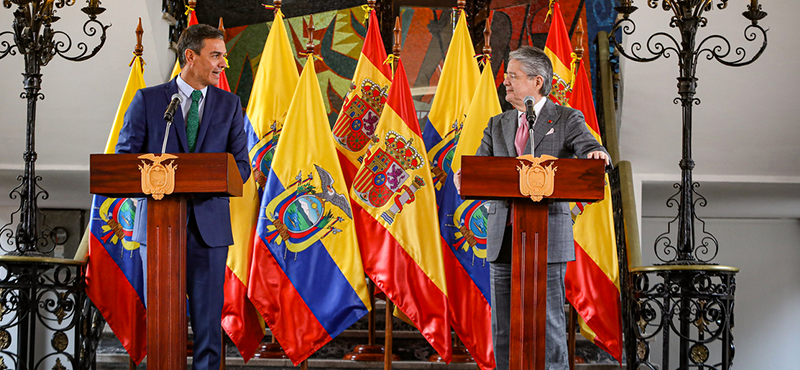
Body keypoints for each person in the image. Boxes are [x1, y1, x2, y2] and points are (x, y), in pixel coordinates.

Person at [455, 45, 609, 370]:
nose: (505, 81)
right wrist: (463, 175)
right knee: (504, 325)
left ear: (537, 81)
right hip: (503, 241)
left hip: (547, 241)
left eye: (513, 75)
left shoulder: (567, 118)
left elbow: (591, 147)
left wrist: (597, 155)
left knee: (549, 323)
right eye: (506, 75)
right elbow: (480, 169)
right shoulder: (497, 124)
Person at [116, 24, 250, 370]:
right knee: (163, 322)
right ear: (190, 56)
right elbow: (124, 162)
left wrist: (200, 181)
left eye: (223, 56)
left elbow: (242, 167)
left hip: (210, 232)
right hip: (159, 230)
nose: (223, 64)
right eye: (215, 55)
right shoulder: (149, 101)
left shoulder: (230, 105)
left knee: (208, 326)